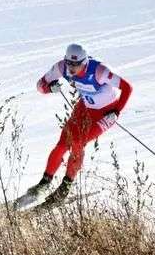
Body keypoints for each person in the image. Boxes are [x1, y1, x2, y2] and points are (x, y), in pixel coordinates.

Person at [26, 43, 133, 206]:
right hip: (84, 108)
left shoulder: (99, 71)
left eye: (76, 65)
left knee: (77, 143)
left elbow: (127, 88)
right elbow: (40, 86)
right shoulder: (62, 67)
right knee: (62, 144)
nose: (71, 68)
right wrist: (50, 88)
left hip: (105, 114)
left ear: (85, 62)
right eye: (69, 63)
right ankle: (43, 185)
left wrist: (116, 111)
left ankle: (64, 188)